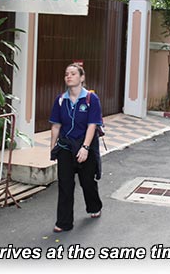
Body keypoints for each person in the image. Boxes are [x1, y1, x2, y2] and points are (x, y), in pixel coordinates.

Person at [49, 63, 104, 233]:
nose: (69, 76)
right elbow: (56, 126)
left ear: (82, 78)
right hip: (66, 146)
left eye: (73, 73)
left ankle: (94, 206)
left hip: (85, 143)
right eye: (66, 74)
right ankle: (64, 222)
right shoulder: (60, 100)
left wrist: (85, 148)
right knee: (65, 184)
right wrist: (53, 149)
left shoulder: (91, 99)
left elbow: (92, 125)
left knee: (87, 181)